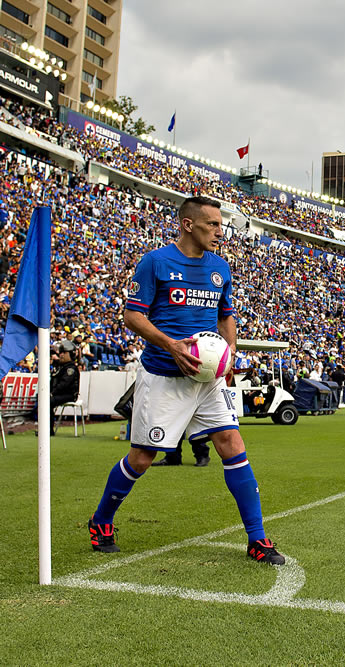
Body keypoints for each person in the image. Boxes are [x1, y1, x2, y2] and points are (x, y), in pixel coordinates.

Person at [87, 196, 284, 565]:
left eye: (221, 225)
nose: (220, 233)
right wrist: (172, 346)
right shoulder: (156, 262)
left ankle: (257, 539)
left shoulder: (220, 268)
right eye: (212, 225)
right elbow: (132, 316)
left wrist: (229, 354)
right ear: (188, 225)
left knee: (232, 444)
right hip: (164, 375)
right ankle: (101, 521)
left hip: (208, 379)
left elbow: (226, 316)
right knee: (143, 458)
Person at [49, 340, 80, 435]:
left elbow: (64, 384)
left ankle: (48, 430)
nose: (61, 355)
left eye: (64, 353)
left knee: (48, 402)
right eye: (61, 353)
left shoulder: (70, 368)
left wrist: (52, 393)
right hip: (60, 394)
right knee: (44, 399)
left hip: (69, 395)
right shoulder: (61, 366)